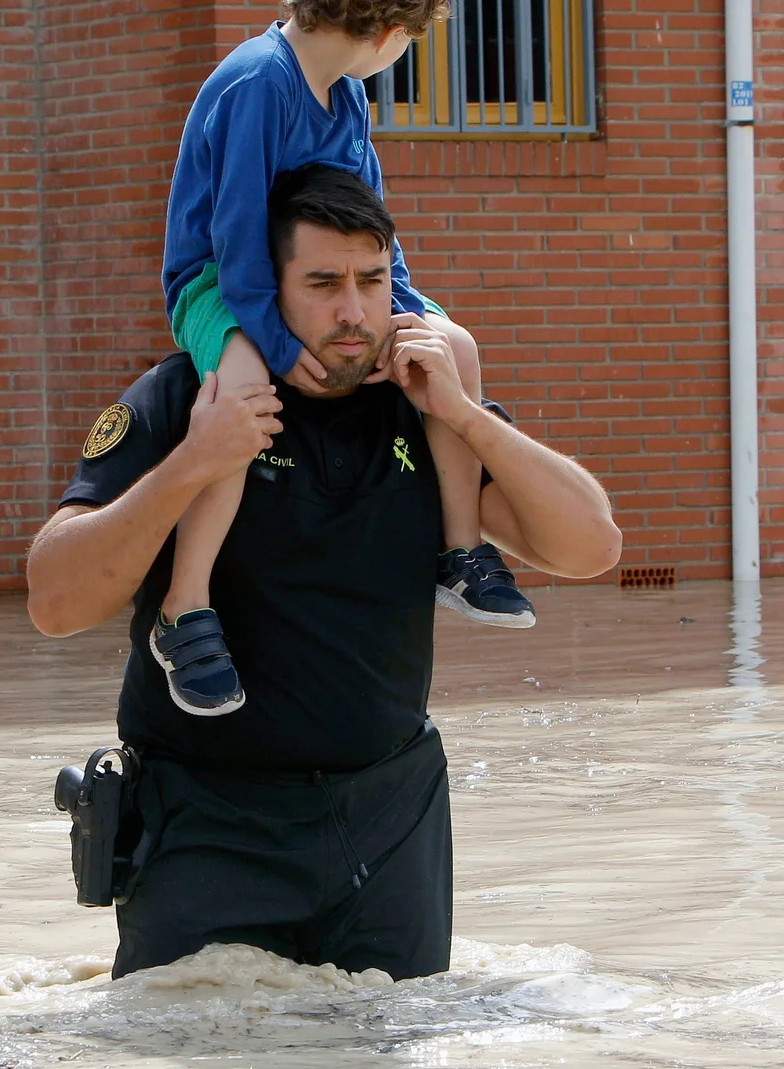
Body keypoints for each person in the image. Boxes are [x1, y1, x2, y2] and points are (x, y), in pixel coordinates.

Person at [26, 165, 623, 981]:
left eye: (372, 281)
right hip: (206, 821)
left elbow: (591, 544)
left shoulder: (431, 408)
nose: (353, 310)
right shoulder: (190, 396)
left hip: (388, 820)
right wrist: (193, 464)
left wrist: (466, 413)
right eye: (323, 283)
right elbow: (55, 600)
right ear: (266, 288)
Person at [154, 0, 534, 718]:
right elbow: (235, 239)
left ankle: (460, 551)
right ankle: (185, 606)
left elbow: (372, 231)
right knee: (241, 385)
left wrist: (407, 315)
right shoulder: (258, 84)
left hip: (315, 286)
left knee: (453, 347)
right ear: (392, 33)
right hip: (218, 283)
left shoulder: (347, 96)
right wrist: (275, 342)